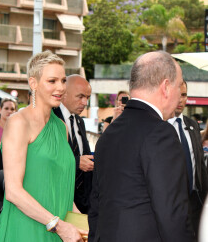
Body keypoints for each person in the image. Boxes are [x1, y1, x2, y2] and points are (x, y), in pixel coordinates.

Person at [88, 51, 195, 242]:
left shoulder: (109, 134)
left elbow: (96, 207)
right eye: (179, 86)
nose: (180, 95)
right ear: (166, 87)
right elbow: (172, 215)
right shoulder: (161, 133)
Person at [0, 51, 87, 241]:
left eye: (63, 80)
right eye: (52, 81)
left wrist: (83, 226)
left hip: (58, 229)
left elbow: (62, 190)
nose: (60, 87)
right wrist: (59, 226)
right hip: (27, 228)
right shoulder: (18, 122)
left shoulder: (61, 127)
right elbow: (13, 192)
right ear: (33, 83)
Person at [168, 80, 208, 238]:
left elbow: (199, 164)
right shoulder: (159, 127)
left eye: (184, 95)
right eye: (177, 95)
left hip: (195, 201)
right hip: (170, 202)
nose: (180, 100)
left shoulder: (192, 125)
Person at [54, 74, 93, 214]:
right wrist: (76, 162)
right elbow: (47, 159)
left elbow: (86, 156)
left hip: (83, 202)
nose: (84, 103)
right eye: (80, 96)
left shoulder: (79, 121)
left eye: (87, 98)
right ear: (64, 94)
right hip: (57, 198)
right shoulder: (49, 118)